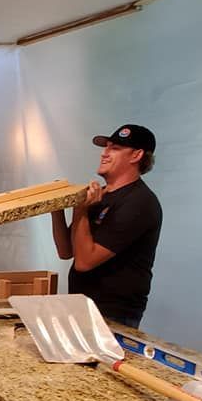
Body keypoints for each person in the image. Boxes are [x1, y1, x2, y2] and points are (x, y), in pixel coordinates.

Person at [51, 124, 162, 328]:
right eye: (106, 147)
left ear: (136, 155)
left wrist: (80, 210)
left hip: (112, 316)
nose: (105, 153)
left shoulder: (139, 202)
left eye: (115, 148)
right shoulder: (100, 196)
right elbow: (66, 251)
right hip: (83, 305)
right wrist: (55, 206)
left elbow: (84, 262)